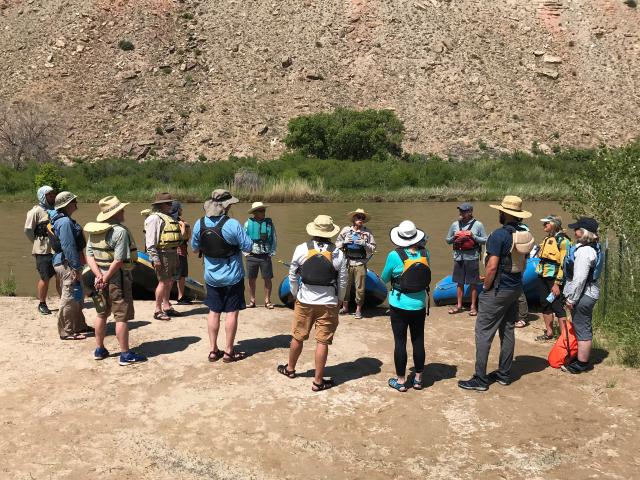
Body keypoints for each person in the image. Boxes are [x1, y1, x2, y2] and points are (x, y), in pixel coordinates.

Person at [458, 195, 534, 392]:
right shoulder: (524, 233)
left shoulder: (499, 235)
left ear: (504, 213)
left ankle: (480, 379)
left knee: (483, 332)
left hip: (498, 289)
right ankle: (504, 374)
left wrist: (486, 288)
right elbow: (523, 263)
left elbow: (491, 268)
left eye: (500, 211)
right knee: (507, 330)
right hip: (515, 287)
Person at [277, 215, 347, 392]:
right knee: (322, 341)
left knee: (298, 336)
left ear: (313, 231)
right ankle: (318, 381)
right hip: (329, 302)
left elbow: (293, 274)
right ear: (331, 233)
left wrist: (294, 294)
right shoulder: (339, 253)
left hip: (304, 300)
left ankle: (290, 369)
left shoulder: (301, 248)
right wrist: (340, 300)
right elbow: (343, 281)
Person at [191, 189, 253, 363]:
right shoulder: (232, 224)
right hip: (233, 276)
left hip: (211, 276)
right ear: (225, 206)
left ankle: (213, 350)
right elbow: (248, 246)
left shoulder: (199, 223)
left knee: (214, 311)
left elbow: (195, 249)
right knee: (231, 313)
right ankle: (228, 351)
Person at [85, 196, 147, 365]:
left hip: (98, 278)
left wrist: (98, 276)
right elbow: (119, 260)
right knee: (121, 317)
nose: (124, 212)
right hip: (116, 278)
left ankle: (99, 349)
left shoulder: (95, 230)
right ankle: (125, 355)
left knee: (101, 314)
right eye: (121, 210)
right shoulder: (120, 231)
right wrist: (105, 277)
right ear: (116, 213)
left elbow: (89, 255)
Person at [381, 220, 430, 392]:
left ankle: (401, 381)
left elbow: (384, 278)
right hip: (419, 304)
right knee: (418, 340)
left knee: (400, 342)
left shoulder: (394, 255)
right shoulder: (425, 253)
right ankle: (418, 379)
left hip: (399, 304)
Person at [561, 217, 602, 374]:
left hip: (584, 294)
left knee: (582, 327)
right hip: (587, 292)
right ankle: (580, 357)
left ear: (584, 232)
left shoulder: (585, 251)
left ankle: (581, 364)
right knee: (582, 325)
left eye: (577, 229)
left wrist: (571, 299)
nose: (574, 231)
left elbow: (580, 279)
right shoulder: (591, 247)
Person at [50, 191, 91, 340]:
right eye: (74, 201)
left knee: (77, 297)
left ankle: (79, 325)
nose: (76, 203)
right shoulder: (65, 222)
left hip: (70, 263)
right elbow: (68, 246)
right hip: (68, 264)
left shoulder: (63, 220)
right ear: (67, 204)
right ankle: (66, 331)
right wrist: (75, 267)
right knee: (69, 297)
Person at [144, 192, 183, 321]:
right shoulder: (154, 219)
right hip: (162, 254)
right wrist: (155, 259)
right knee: (163, 282)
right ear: (161, 205)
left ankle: (166, 306)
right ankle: (157, 310)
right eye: (168, 203)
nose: (171, 205)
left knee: (170, 280)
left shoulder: (168, 217)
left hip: (172, 253)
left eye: (171, 203)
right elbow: (150, 243)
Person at [445, 202, 487, 316]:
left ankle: (473, 306)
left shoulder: (478, 225)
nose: (461, 213)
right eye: (460, 210)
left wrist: (473, 236)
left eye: (464, 211)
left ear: (470, 212)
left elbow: (485, 240)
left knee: (473, 283)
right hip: (458, 257)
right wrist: (455, 237)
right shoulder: (454, 225)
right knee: (459, 282)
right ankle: (459, 305)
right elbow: (447, 240)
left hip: (472, 257)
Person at [24, 185, 61, 314]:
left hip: (57, 249)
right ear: (42, 196)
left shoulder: (57, 210)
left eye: (53, 194)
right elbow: (28, 230)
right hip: (43, 250)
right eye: (49, 195)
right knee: (45, 277)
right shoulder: (35, 211)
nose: (53, 197)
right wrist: (36, 244)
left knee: (60, 276)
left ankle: (64, 301)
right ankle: (42, 303)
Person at [534, 215, 572, 341]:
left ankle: (564, 338)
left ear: (554, 224)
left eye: (546, 223)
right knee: (545, 304)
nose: (543, 225)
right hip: (543, 276)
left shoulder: (564, 241)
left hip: (554, 279)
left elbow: (563, 264)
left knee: (557, 307)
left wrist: (557, 283)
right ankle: (549, 333)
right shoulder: (548, 238)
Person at [335, 208, 376, 319]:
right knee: (345, 285)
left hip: (360, 263)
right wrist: (344, 243)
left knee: (360, 288)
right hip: (347, 261)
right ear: (353, 218)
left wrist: (364, 244)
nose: (361, 219)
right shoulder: (345, 230)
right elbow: (336, 244)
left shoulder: (367, 232)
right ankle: (345, 308)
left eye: (363, 218)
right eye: (358, 217)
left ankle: (358, 310)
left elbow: (373, 248)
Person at [243, 201, 277, 309]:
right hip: (251, 255)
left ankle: (267, 301)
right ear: (255, 213)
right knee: (251, 279)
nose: (264, 212)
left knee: (267, 278)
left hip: (265, 255)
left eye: (264, 210)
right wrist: (245, 253)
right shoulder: (248, 224)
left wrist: (271, 252)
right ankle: (252, 301)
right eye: (261, 210)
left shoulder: (269, 224)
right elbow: (243, 238)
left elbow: (274, 238)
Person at [170, 200, 192, 305]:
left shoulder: (179, 221)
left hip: (182, 252)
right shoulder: (175, 222)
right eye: (180, 208)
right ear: (177, 210)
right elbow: (183, 237)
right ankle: (165, 299)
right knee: (173, 277)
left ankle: (181, 296)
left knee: (182, 276)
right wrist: (184, 226)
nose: (181, 210)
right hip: (177, 253)